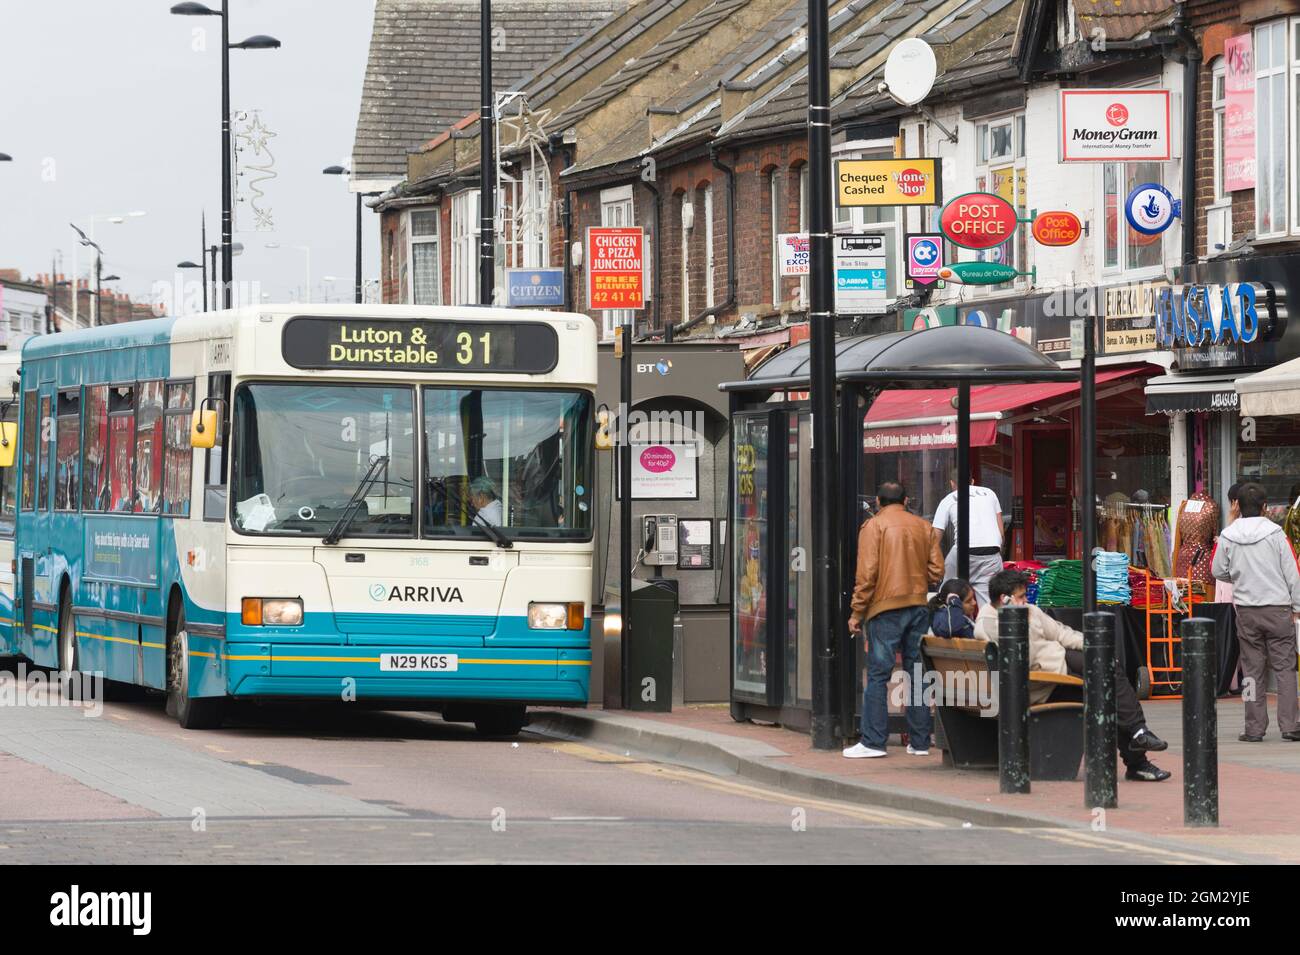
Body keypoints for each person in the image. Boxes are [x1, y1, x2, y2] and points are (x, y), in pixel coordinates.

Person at [976, 569, 1172, 782]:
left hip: (1058, 664)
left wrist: (1092, 643)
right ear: (1004, 599)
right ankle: (1138, 755)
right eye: (1021, 597)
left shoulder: (1029, 611)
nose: (1025, 601)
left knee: (1105, 664)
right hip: (1042, 682)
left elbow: (1060, 633)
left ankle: (1138, 733)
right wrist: (1013, 616)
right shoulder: (990, 623)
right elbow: (1024, 656)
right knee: (1102, 693)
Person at [844, 481, 944, 759]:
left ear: (877, 501)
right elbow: (937, 571)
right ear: (907, 499)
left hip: (884, 609)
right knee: (917, 674)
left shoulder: (873, 527)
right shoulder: (923, 527)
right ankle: (920, 742)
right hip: (918, 606)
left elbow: (866, 574)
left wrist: (856, 612)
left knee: (878, 674)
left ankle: (874, 741)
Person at [1211, 482, 1300, 742]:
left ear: (1237, 506)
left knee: (1251, 671)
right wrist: (1297, 607)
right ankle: (1290, 725)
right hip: (1277, 608)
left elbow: (1217, 570)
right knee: (1285, 669)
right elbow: (1292, 574)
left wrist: (1237, 576)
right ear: (1265, 507)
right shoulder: (1276, 534)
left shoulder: (1229, 534)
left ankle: (1254, 728)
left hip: (1247, 611)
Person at [932, 471, 1005, 607]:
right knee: (989, 605)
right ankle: (986, 625)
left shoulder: (948, 499)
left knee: (947, 590)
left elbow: (935, 537)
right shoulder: (990, 493)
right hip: (991, 553)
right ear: (972, 481)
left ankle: (943, 611)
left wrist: (932, 564)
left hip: (962, 552)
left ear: (952, 483)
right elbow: (1001, 534)